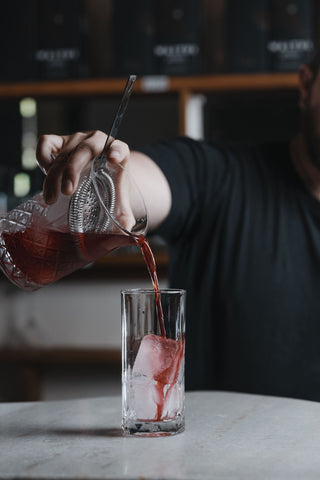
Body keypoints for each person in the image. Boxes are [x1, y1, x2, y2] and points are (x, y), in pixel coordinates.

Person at [36, 51, 320, 402]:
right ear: (307, 85)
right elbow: (143, 185)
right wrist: (107, 178)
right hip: (215, 454)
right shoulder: (217, 177)